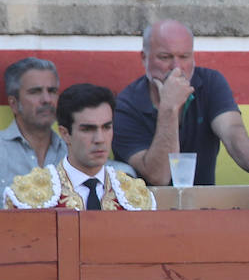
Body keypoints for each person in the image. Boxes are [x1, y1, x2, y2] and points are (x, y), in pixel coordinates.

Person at [113, 19, 249, 186]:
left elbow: (233, 133)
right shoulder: (126, 105)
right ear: (144, 58)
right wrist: (169, 108)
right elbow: (158, 177)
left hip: (202, 204)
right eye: (165, 57)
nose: (176, 67)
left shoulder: (210, 82)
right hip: (148, 208)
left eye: (184, 57)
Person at [5, 83, 154, 210]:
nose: (100, 139)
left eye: (106, 127)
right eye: (87, 129)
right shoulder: (28, 197)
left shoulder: (135, 196)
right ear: (65, 134)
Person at [2, 58, 66, 192]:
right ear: (14, 103)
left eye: (52, 91)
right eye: (35, 92)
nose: (47, 100)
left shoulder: (71, 151)